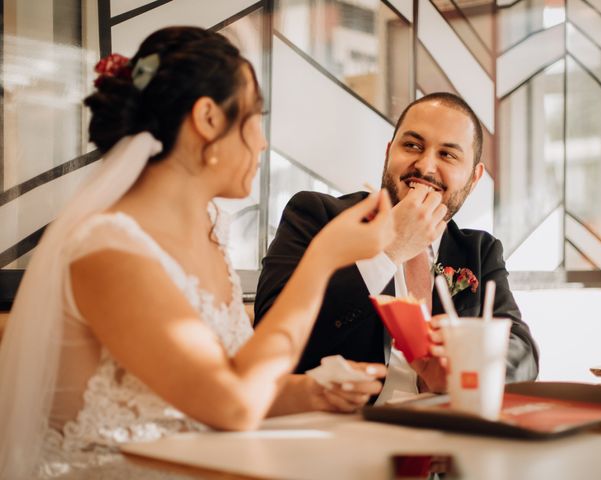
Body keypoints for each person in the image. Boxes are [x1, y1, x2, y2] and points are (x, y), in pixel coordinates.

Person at [0, 27, 395, 478]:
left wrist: (310, 394)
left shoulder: (209, 232)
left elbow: (220, 385)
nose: (263, 142)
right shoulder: (107, 248)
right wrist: (324, 258)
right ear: (208, 118)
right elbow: (233, 404)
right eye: (255, 117)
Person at [254, 92, 539, 403]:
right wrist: (389, 252)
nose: (425, 166)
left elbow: (523, 353)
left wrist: (467, 361)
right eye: (412, 146)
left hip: (448, 433)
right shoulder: (316, 216)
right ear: (389, 153)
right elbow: (272, 333)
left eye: (447, 155)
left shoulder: (479, 251)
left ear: (473, 178)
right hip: (343, 428)